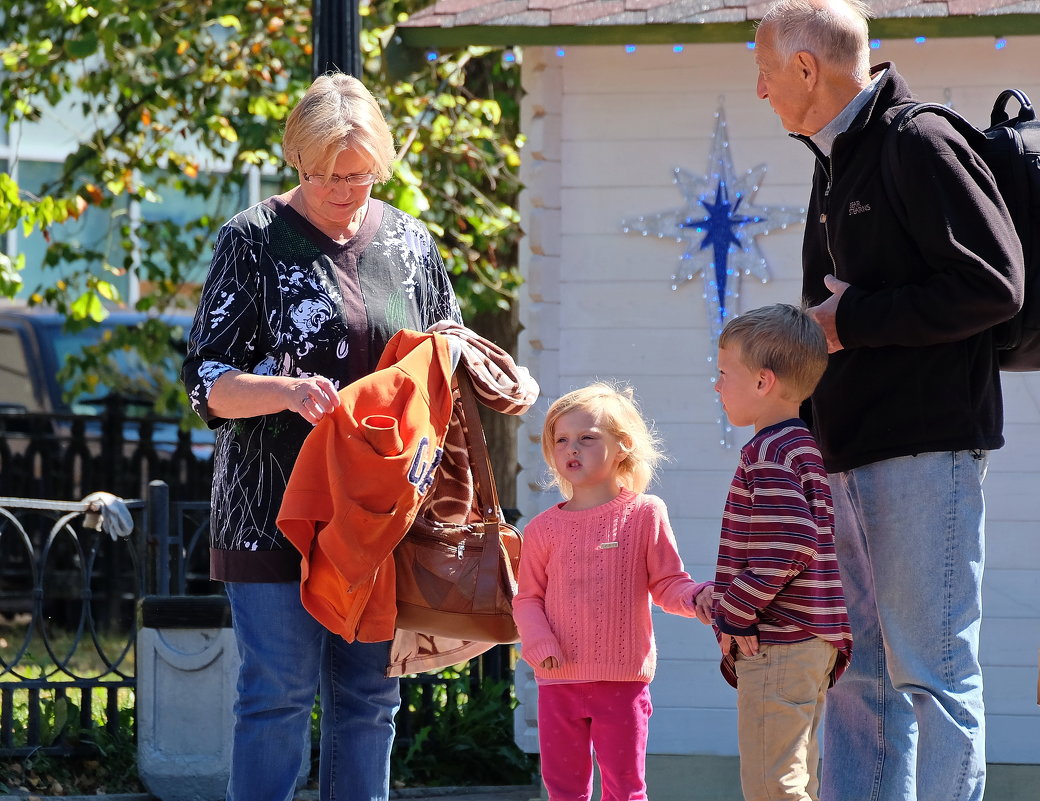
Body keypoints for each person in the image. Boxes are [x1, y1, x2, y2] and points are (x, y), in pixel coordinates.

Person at [752, 2, 1024, 800]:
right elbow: (825, 322)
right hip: (846, 456)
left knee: (933, 675)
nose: (761, 91)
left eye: (766, 72)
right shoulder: (832, 159)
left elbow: (994, 286)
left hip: (925, 452)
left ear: (808, 68)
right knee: (856, 682)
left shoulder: (918, 139)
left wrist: (852, 320)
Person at [181, 72, 462, 801]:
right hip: (271, 510)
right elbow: (205, 377)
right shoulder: (250, 240)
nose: (342, 189)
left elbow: (447, 344)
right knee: (276, 694)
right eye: (323, 175)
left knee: (370, 700)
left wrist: (488, 369)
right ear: (295, 164)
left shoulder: (408, 241)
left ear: (382, 163)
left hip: (376, 514)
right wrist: (286, 392)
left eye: (358, 175)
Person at [512, 382, 714, 801]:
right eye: (562, 439)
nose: (572, 448)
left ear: (622, 446)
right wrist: (539, 642)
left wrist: (697, 598)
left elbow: (667, 582)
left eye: (587, 438)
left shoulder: (645, 513)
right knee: (564, 791)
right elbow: (527, 598)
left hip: (622, 685)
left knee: (626, 790)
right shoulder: (540, 529)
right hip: (557, 682)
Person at [711, 304, 852, 801]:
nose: (716, 385)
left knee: (774, 785)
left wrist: (735, 610)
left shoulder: (767, 453)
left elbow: (790, 543)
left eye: (724, 373)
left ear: (763, 382)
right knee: (798, 777)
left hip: (778, 639)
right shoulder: (800, 446)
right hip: (810, 640)